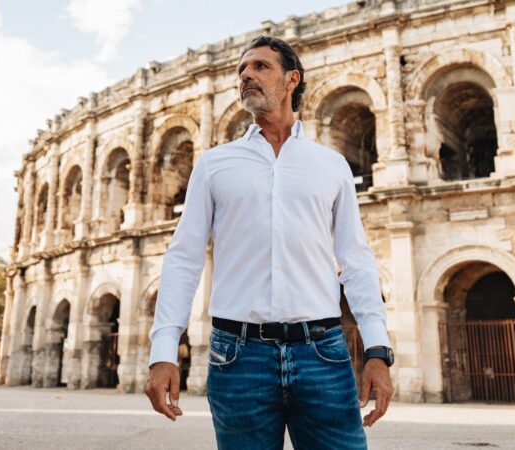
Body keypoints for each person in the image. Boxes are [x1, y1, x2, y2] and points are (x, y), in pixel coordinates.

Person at [145, 35, 394, 450]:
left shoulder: (331, 165)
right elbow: (184, 259)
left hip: (324, 352)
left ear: (291, 79)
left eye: (260, 67)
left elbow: (355, 260)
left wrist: (378, 349)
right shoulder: (213, 165)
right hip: (238, 355)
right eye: (241, 71)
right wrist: (164, 349)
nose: (246, 76)